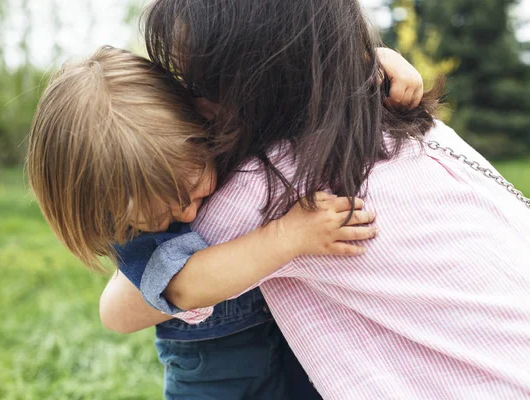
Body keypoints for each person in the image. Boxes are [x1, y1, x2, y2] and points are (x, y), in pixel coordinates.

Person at [100, 0, 530, 398]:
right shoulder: (415, 126)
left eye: (195, 84)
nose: (189, 104)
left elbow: (120, 310)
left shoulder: (269, 185)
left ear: (250, 83)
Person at [27, 46, 403, 399]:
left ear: (196, 121)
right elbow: (188, 286)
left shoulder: (217, 126)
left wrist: (376, 64)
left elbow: (300, 83)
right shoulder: (137, 238)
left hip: (290, 345)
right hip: (213, 376)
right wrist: (289, 235)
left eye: (192, 191)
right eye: (160, 217)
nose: (188, 215)